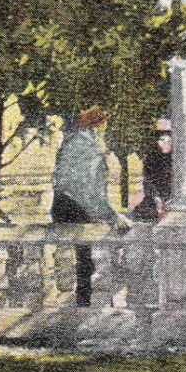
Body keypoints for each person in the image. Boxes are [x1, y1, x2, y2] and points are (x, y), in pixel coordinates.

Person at [52, 105, 129, 307]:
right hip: (78, 211)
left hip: (64, 209)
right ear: (95, 126)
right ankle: (84, 306)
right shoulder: (86, 147)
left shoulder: (70, 143)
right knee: (85, 264)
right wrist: (113, 217)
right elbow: (88, 192)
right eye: (103, 124)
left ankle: (83, 302)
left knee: (84, 263)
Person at [130, 117, 173, 222]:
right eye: (161, 139)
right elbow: (148, 181)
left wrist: (169, 200)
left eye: (168, 139)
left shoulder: (179, 159)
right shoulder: (151, 158)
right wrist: (157, 198)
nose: (164, 142)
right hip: (155, 198)